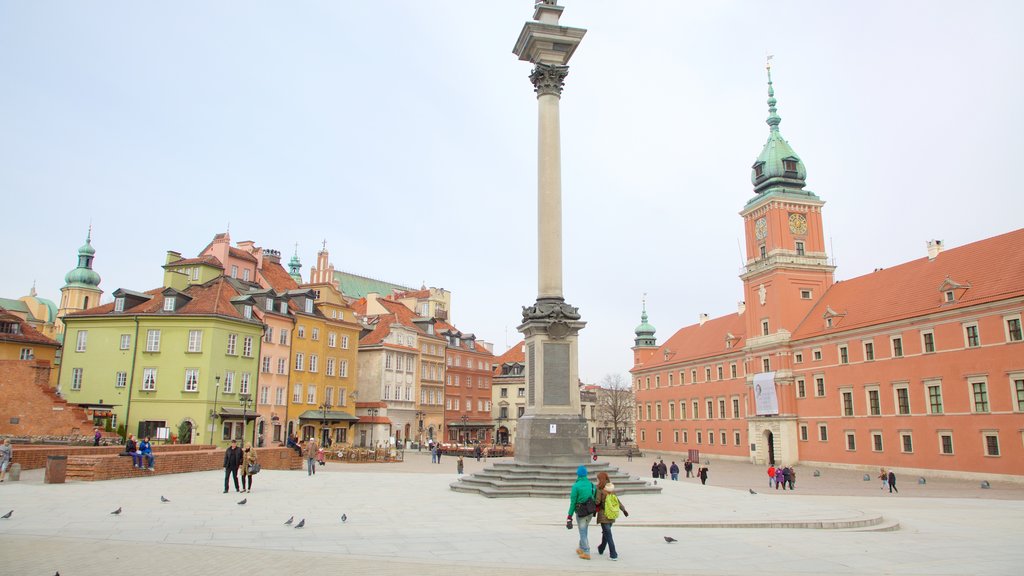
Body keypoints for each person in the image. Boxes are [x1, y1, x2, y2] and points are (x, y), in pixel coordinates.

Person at [596, 471, 628, 561]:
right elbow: (617, 500)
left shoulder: (599, 489)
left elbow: (597, 502)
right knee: (606, 532)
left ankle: (613, 554)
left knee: (608, 534)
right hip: (612, 514)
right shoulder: (610, 488)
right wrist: (624, 509)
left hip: (604, 515)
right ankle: (601, 548)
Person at [567, 465, 595, 560]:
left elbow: (573, 502)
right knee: (584, 529)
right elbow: (593, 497)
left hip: (581, 511)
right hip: (590, 511)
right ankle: (581, 547)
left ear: (578, 474)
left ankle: (586, 551)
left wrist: (569, 515)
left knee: (582, 531)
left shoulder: (576, 486)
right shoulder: (591, 485)